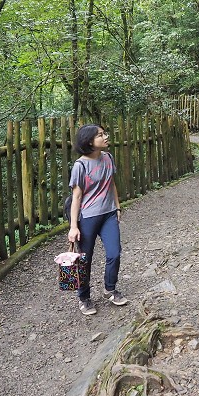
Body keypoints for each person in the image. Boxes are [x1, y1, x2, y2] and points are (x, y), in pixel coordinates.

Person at [67, 124, 127, 315]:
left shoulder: (108, 158)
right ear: (89, 141)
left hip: (108, 213)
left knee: (114, 253)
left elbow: (112, 185)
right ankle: (84, 298)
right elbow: (76, 197)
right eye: (100, 135)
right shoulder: (80, 165)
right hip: (88, 218)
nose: (105, 137)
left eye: (104, 134)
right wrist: (73, 226)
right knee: (85, 260)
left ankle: (110, 288)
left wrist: (117, 206)